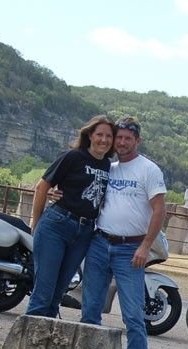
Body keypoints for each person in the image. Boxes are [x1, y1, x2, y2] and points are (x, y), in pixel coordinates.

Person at [81, 116, 166, 349]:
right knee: (91, 308)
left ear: (137, 141)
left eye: (128, 138)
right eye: (119, 137)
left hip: (130, 249)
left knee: (133, 316)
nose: (122, 142)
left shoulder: (148, 170)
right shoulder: (108, 168)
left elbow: (159, 210)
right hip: (100, 242)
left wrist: (145, 246)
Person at [25, 115, 115, 318]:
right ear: (90, 135)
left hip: (84, 232)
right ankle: (29, 346)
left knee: (58, 293)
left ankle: (48, 344)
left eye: (108, 136)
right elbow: (42, 186)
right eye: (99, 134)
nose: (104, 140)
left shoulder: (109, 166)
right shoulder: (73, 157)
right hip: (57, 224)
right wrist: (36, 221)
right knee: (43, 294)